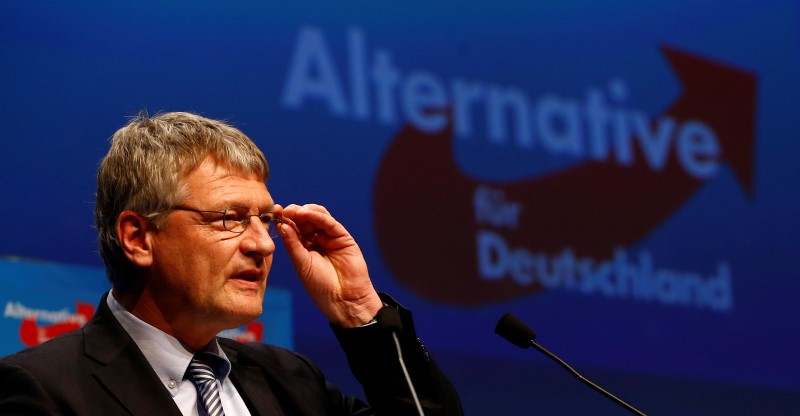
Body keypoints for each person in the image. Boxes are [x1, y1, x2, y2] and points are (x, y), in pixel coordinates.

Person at [0, 111, 463, 415]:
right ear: (139, 238)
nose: (263, 245)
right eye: (229, 219)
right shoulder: (42, 391)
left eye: (265, 219)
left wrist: (359, 309)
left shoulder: (292, 384)